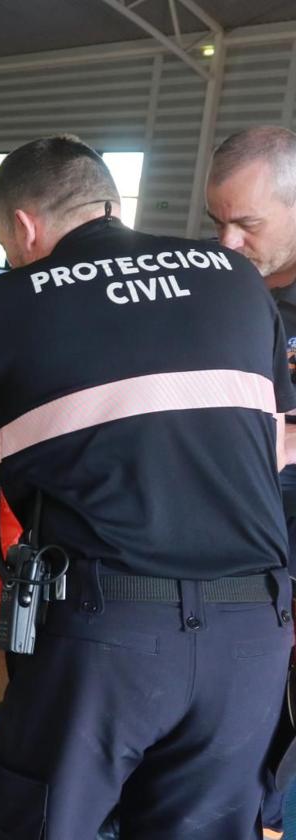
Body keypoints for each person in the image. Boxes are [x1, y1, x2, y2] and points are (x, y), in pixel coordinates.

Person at [0, 134, 295, 839]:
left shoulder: (0, 304)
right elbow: (274, 448)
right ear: (107, 202)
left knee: (50, 822)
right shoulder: (235, 279)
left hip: (109, 631)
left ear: (24, 226)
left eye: (5, 241)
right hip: (253, 632)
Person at [206, 125, 296, 840]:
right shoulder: (220, 287)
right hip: (226, 543)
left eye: (247, 224)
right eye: (217, 222)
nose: (228, 242)